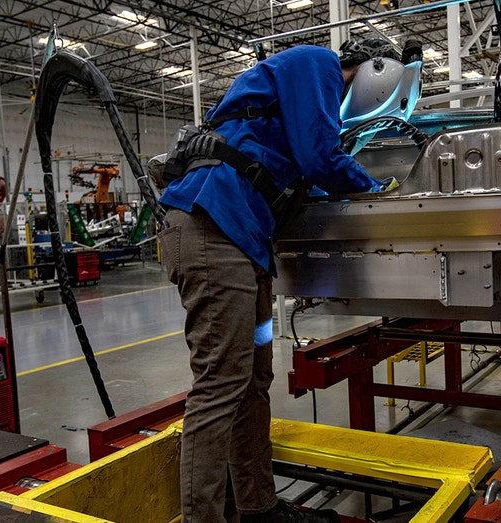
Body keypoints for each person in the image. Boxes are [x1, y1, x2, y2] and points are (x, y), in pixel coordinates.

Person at [156, 39, 416, 523]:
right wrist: (377, 190)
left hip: (244, 245)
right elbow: (320, 156)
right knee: (220, 384)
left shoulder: (300, 93)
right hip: (212, 233)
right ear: (376, 69)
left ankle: (257, 507)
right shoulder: (314, 62)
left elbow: (306, 176)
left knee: (253, 381)